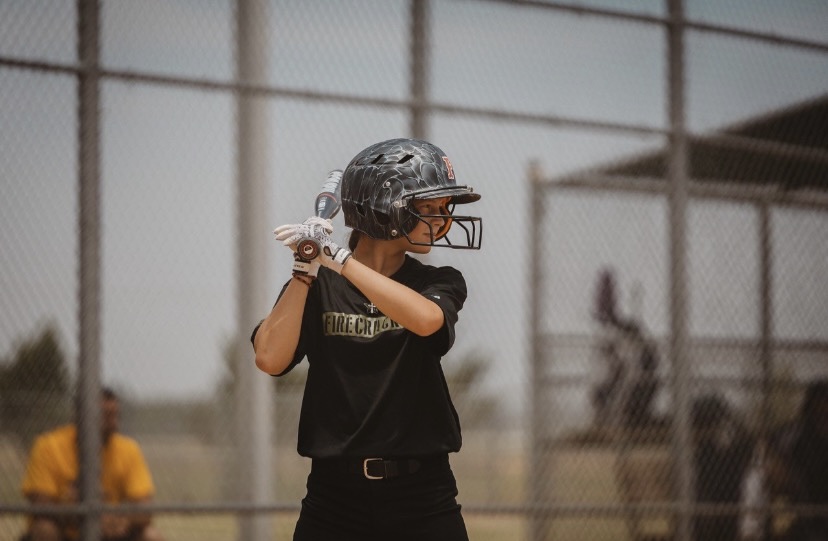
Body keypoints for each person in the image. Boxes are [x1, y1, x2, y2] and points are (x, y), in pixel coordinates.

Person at [252, 138, 482, 541]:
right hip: (334, 499)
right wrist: (305, 270)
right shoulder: (318, 283)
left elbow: (427, 321)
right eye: (427, 208)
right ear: (383, 209)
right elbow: (270, 357)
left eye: (444, 210)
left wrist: (339, 260)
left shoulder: (436, 282)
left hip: (422, 495)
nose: (442, 221)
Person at [20, 387, 164, 541]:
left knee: (151, 536)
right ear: (82, 416)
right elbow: (40, 505)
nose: (114, 424)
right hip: (66, 531)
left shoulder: (128, 449)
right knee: (44, 530)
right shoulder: (48, 446)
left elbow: (145, 508)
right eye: (107, 416)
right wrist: (79, 513)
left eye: (116, 416)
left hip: (110, 533)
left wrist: (120, 519)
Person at [768, 379, 828, 541]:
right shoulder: (793, 436)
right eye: (819, 411)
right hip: (801, 508)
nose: (823, 413)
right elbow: (773, 453)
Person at [690, 394, 755, 541]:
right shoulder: (703, 448)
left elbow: (747, 452)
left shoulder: (735, 438)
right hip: (708, 498)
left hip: (728, 498)